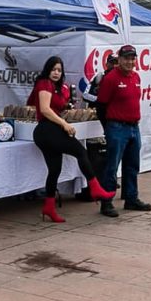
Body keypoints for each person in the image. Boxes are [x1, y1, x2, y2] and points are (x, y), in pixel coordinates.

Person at [27, 57, 114, 224]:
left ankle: (49, 207)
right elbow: (44, 110)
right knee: (81, 152)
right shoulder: (44, 83)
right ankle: (96, 189)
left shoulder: (57, 87)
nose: (56, 73)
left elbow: (47, 106)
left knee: (54, 170)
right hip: (47, 129)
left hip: (49, 131)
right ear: (47, 70)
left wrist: (65, 108)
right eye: (53, 69)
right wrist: (64, 123)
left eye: (59, 70)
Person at [96, 44, 151, 217]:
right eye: (126, 58)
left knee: (132, 165)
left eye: (132, 58)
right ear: (119, 59)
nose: (129, 61)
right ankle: (106, 201)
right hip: (117, 127)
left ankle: (131, 198)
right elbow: (101, 105)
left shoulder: (136, 77)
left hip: (134, 127)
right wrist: (108, 128)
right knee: (112, 166)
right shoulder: (111, 78)